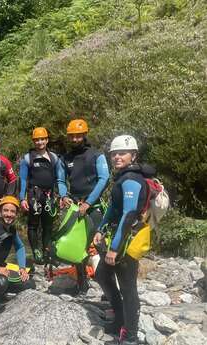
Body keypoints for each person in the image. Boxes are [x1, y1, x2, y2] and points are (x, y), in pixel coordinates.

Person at [93, 135, 152, 345]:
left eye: (122, 153)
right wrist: (101, 228)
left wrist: (114, 249)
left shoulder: (131, 180)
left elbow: (128, 216)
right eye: (114, 153)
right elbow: (113, 209)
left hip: (127, 240)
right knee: (102, 274)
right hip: (118, 236)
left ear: (133, 155)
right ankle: (119, 319)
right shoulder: (122, 176)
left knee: (128, 288)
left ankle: (131, 336)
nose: (117, 157)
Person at [58, 119, 110, 294]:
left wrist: (88, 202)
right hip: (75, 206)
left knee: (100, 244)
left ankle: (109, 285)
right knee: (77, 245)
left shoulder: (96, 155)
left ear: (84, 135)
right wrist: (64, 195)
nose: (75, 139)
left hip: (93, 206)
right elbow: (60, 179)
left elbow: (104, 179)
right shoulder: (65, 158)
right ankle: (82, 282)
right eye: (72, 136)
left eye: (78, 136)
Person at [19, 127, 63, 265]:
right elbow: (23, 180)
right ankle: (36, 251)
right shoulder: (27, 158)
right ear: (33, 141)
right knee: (33, 225)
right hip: (34, 195)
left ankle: (46, 250)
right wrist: (22, 198)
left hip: (49, 196)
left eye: (42, 139)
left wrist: (62, 195)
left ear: (47, 140)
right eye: (37, 139)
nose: (40, 142)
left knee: (48, 225)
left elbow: (60, 178)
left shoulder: (54, 158)